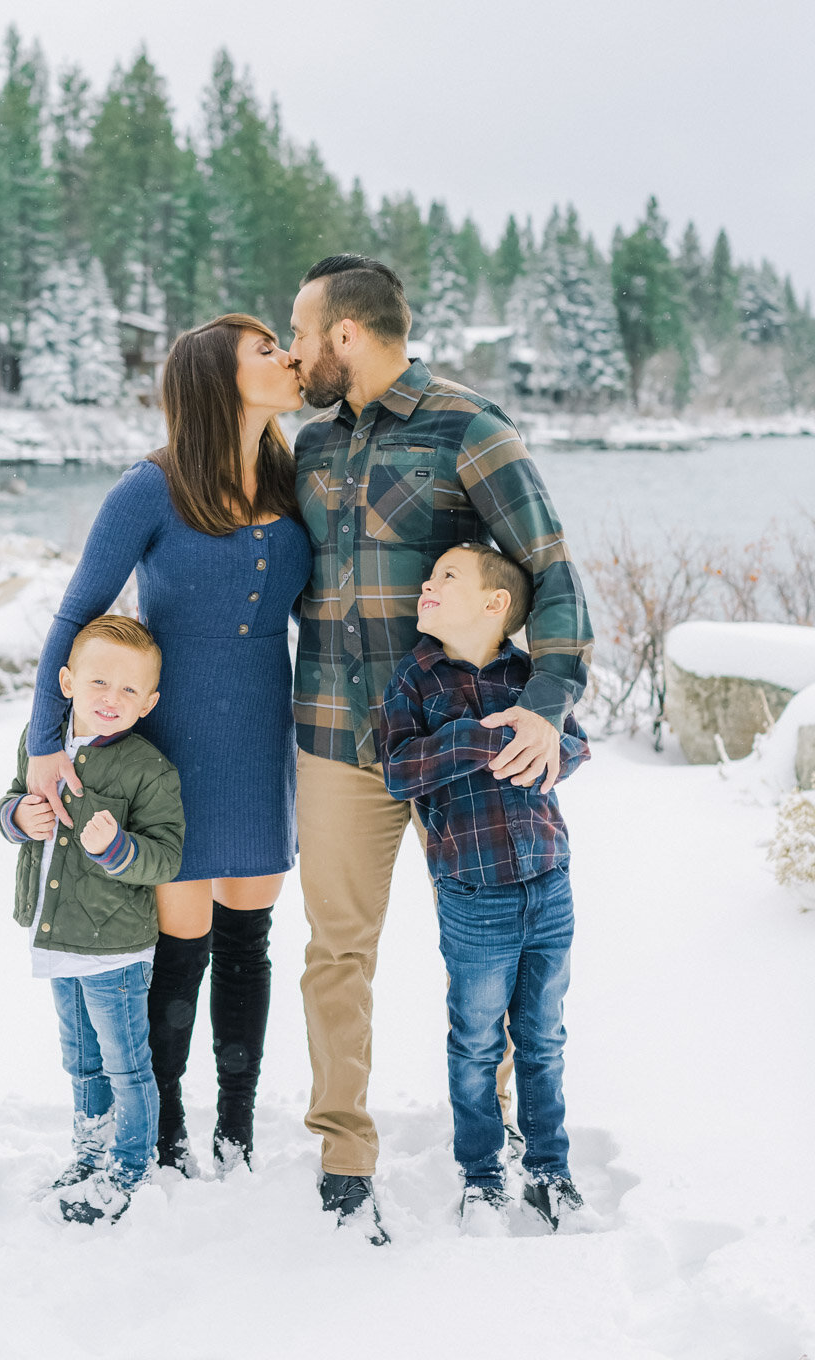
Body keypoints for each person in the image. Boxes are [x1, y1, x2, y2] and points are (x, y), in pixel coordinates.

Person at [288, 254, 593, 1242]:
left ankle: (494, 1142)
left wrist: (545, 704)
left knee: (493, 954)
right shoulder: (308, 448)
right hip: (337, 738)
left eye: (304, 334)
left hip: (458, 743)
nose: (297, 355)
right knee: (337, 950)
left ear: (347, 334)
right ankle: (342, 1158)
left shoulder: (469, 427)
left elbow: (548, 570)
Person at [25, 315, 311, 1176]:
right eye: (266, 349)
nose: (287, 357)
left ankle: (238, 1127)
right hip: (173, 742)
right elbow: (76, 616)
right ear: (216, 379)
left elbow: (319, 612)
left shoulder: (295, 477)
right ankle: (167, 1130)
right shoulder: (148, 489)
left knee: (248, 938)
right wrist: (47, 739)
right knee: (180, 941)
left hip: (265, 731)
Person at [380, 544, 591, 1234]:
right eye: (430, 575)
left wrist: (546, 737)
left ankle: (550, 1168)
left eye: (447, 577)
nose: (427, 584)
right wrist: (470, 739)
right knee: (475, 1040)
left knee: (543, 1036)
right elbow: (398, 769)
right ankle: (480, 1172)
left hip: (548, 882)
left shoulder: (531, 676)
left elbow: (577, 744)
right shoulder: (415, 677)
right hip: (475, 898)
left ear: (495, 604)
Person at [0, 615, 185, 1225]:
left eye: (131, 690)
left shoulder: (147, 768)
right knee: (79, 1059)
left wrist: (117, 849)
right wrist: (18, 818)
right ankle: (89, 1150)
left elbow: (166, 855)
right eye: (100, 681)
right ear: (67, 681)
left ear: (150, 702)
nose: (113, 698)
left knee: (126, 1063)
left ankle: (131, 1166)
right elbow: (6, 801)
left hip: (114, 947)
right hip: (56, 936)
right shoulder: (39, 741)